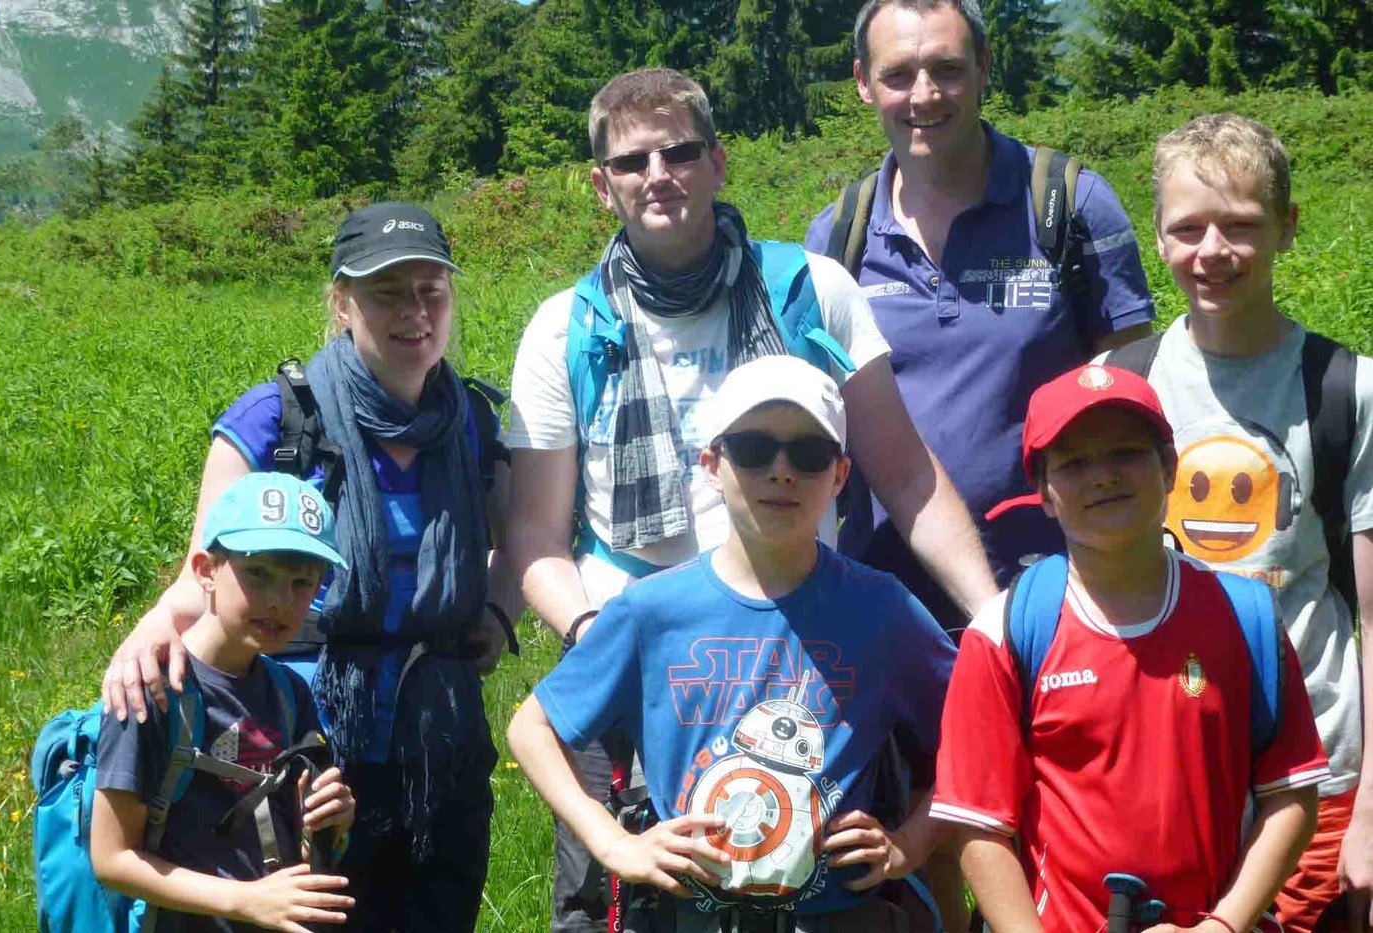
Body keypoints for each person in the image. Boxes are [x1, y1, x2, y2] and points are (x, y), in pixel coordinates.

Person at [505, 67, 994, 932]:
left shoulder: (811, 290)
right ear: (601, 183)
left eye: (680, 152)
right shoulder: (563, 329)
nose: (659, 174)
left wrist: (991, 615)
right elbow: (538, 536)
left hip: (813, 658)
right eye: (632, 161)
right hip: (633, 665)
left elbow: (904, 472)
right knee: (619, 907)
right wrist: (608, 641)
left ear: (719, 161)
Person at [99, 202, 522, 932]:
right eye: (386, 292)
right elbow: (204, 570)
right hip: (304, 747)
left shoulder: (474, 423)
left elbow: (516, 542)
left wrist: (496, 611)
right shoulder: (276, 420)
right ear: (341, 302)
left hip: (442, 742)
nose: (414, 312)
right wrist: (145, 636)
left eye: (431, 290)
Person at [509, 354, 958, 932]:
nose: (781, 471)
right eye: (753, 449)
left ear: (840, 475)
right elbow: (532, 728)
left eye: (809, 453)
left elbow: (978, 730)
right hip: (684, 916)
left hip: (837, 917)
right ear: (712, 465)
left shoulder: (883, 610)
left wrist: (914, 843)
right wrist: (610, 840)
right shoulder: (651, 611)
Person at [931, 364, 1329, 932]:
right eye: (1074, 464)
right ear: (1044, 492)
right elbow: (978, 827)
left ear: (1169, 467)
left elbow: (1290, 797)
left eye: (1126, 453)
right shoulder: (1003, 632)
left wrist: (1221, 926)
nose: (1103, 477)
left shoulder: (1247, 617)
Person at [1099, 113, 1373, 933]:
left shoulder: (1346, 390)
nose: (1211, 251)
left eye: (1241, 225)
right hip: (1167, 774)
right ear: (1158, 235)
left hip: (1317, 772)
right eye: (1188, 228)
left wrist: (1371, 808)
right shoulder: (1120, 384)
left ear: (1288, 226)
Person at [804, 0, 1155, 631]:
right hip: (885, 604)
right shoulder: (837, 239)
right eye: (898, 75)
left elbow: (1134, 388)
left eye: (947, 68)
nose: (924, 94)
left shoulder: (1069, 205)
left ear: (985, 66)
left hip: (1061, 592)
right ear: (863, 82)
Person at [92, 471, 358, 932]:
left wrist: (334, 821)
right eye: (258, 574)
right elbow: (112, 858)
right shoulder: (151, 690)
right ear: (205, 571)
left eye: (302, 582)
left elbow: (296, 842)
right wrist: (247, 901)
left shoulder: (289, 692)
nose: (279, 601)